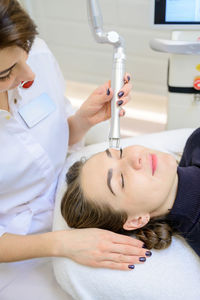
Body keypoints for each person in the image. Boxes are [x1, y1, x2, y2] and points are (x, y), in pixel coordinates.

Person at [0, 0, 149, 272]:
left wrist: (82, 120)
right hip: (16, 248)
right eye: (6, 74)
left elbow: (42, 144)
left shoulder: (36, 56)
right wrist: (62, 244)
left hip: (67, 202)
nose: (29, 74)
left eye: (26, 52)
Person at [61, 127, 200, 258]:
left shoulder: (195, 142)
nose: (134, 158)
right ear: (136, 220)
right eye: (121, 179)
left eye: (119, 154)